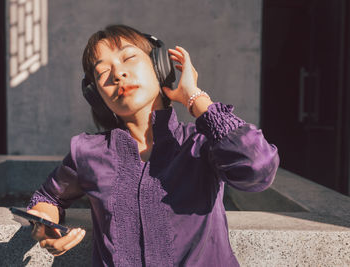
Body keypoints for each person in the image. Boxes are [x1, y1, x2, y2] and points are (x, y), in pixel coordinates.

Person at [27, 24, 280, 266]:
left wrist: (196, 99)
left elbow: (257, 168)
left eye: (129, 58)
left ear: (160, 68)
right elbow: (47, 197)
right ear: (96, 94)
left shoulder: (201, 142)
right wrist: (45, 224)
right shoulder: (86, 151)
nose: (118, 74)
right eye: (103, 72)